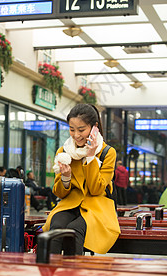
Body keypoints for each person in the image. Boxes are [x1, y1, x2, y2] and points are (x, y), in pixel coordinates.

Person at [42, 103, 120, 255]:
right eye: (72, 129)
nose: (76, 135)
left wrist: (90, 158)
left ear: (94, 128)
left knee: (74, 231)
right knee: (56, 228)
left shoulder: (107, 153)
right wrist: (65, 177)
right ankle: (50, 270)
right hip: (69, 204)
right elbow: (59, 193)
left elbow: (96, 189)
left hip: (96, 207)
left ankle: (74, 271)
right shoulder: (64, 152)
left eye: (81, 129)